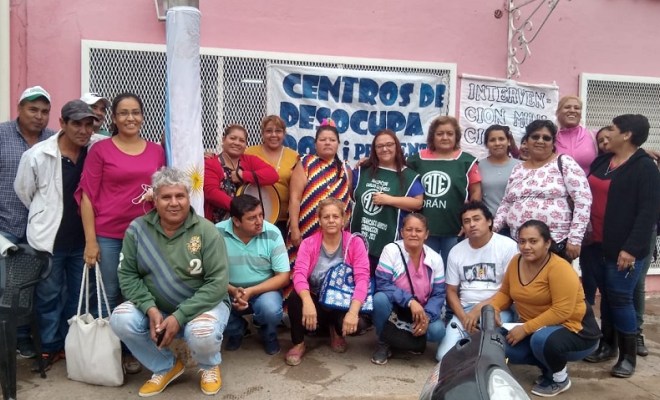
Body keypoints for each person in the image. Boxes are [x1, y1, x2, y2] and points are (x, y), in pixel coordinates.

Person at [109, 167, 230, 397]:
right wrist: (150, 308)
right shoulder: (137, 230)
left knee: (202, 332)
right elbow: (128, 275)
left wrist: (179, 316)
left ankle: (209, 366)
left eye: (180, 196)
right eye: (166, 197)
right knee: (120, 319)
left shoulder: (207, 231)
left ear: (188, 198)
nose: (174, 203)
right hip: (158, 307)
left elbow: (217, 284)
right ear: (155, 200)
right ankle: (165, 366)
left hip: (203, 306)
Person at [78, 92, 165, 373]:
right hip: (109, 235)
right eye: (124, 113)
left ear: (143, 116)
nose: (130, 118)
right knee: (109, 293)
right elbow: (86, 196)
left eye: (136, 112)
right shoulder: (100, 150)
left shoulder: (156, 151)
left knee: (139, 294)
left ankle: (132, 351)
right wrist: (91, 241)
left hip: (145, 236)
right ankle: (107, 354)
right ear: (114, 118)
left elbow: (165, 190)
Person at [14, 100, 103, 369]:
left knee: (80, 295)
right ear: (62, 123)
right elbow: (24, 192)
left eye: (88, 124)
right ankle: (49, 346)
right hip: (50, 239)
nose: (83, 130)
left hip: (85, 239)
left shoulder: (96, 149)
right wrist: (45, 214)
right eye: (76, 124)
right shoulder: (38, 155)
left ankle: (70, 344)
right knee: (48, 296)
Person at [580, 114, 660, 378]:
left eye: (613, 129)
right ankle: (607, 345)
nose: (607, 134)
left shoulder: (644, 168)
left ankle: (628, 357)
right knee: (606, 295)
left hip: (624, 248)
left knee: (621, 297)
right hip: (595, 243)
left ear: (627, 135)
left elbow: (648, 213)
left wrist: (631, 249)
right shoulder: (603, 161)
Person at [490, 220, 600, 397]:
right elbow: (505, 292)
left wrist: (525, 329)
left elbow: (562, 311)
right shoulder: (516, 261)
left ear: (547, 243)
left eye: (533, 241)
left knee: (541, 340)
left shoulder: (559, 268)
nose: (526, 246)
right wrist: (494, 307)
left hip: (575, 330)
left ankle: (560, 379)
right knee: (499, 343)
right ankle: (549, 369)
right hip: (538, 328)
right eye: (522, 241)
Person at [0, 85, 56, 358]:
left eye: (44, 111)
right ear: (19, 109)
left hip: (40, 228)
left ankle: (23, 338)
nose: (39, 116)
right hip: (5, 225)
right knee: (6, 285)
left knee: (29, 287)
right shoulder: (2, 135)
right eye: (33, 109)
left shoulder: (53, 140)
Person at [285, 198, 370, 366]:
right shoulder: (308, 243)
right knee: (295, 298)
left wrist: (353, 313)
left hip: (342, 301)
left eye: (335, 216)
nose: (331, 220)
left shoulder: (355, 243)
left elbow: (362, 279)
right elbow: (299, 275)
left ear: (343, 220)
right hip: (316, 299)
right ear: (319, 220)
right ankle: (298, 343)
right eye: (326, 217)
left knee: (359, 324)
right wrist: (307, 302)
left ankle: (336, 330)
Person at [494, 119, 592, 262]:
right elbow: (507, 202)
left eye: (546, 138)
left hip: (554, 243)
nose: (540, 141)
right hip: (519, 244)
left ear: (553, 143)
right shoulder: (518, 169)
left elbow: (583, 200)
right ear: (526, 141)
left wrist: (575, 239)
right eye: (535, 136)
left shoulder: (565, 163)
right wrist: (493, 228)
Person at [436, 201, 518, 361]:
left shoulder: (507, 246)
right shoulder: (456, 251)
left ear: (489, 221)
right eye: (467, 221)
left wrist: (479, 309)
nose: (472, 224)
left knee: (488, 349)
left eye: (477, 219)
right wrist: (464, 317)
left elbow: (509, 291)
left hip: (497, 308)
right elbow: (451, 291)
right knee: (443, 356)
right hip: (465, 310)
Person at [216, 194, 290, 355]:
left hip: (263, 290)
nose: (259, 221)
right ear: (236, 221)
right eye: (252, 218)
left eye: (261, 215)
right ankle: (238, 330)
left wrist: (251, 291)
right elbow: (209, 274)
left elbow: (283, 276)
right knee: (209, 303)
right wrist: (232, 290)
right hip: (227, 290)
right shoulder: (217, 233)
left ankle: (268, 334)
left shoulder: (272, 233)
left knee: (270, 309)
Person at [371, 213, 446, 365]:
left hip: (421, 311)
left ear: (426, 234)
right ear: (402, 232)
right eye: (409, 229)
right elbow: (383, 284)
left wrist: (426, 317)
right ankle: (384, 343)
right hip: (395, 308)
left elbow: (438, 294)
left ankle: (411, 341)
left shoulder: (435, 259)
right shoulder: (391, 250)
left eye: (418, 230)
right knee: (379, 299)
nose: (413, 234)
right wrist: (410, 302)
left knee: (438, 330)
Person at [406, 116, 481, 264]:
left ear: (456, 136)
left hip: (455, 230)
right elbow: (396, 173)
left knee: (453, 269)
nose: (445, 137)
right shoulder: (416, 160)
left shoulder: (466, 161)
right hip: (422, 230)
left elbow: (476, 193)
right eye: (440, 134)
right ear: (432, 136)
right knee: (425, 268)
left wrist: (470, 221)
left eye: (450, 133)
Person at [350, 129, 424, 272]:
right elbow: (351, 195)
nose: (385, 149)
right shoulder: (362, 171)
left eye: (389, 144)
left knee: (384, 283)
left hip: (389, 243)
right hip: (360, 239)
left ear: (397, 146)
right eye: (380, 146)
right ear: (374, 149)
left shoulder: (408, 175)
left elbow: (417, 203)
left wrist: (389, 200)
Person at [287, 119, 352, 263]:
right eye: (323, 140)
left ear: (338, 144)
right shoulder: (306, 163)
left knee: (334, 270)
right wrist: (295, 228)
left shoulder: (345, 169)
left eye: (332, 140)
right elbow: (294, 198)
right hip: (306, 229)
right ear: (315, 144)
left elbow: (349, 203)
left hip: (336, 235)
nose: (327, 143)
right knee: (304, 267)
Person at [204, 124, 278, 223]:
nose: (237, 143)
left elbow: (273, 175)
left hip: (248, 223)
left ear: (246, 145)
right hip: (218, 223)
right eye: (232, 138)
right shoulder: (211, 163)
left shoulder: (250, 160)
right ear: (223, 139)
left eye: (242, 140)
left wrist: (243, 175)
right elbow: (211, 192)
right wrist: (240, 207)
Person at [245, 115, 300, 237]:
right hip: (253, 219)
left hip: (283, 220)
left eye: (278, 131)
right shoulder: (249, 152)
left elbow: (297, 190)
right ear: (262, 133)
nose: (273, 135)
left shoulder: (294, 156)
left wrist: (293, 219)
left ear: (284, 134)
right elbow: (231, 164)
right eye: (269, 131)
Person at [477, 125, 521, 234]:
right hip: (489, 226)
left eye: (501, 139)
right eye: (492, 140)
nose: (497, 143)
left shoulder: (521, 166)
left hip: (516, 226)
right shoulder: (478, 166)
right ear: (486, 144)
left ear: (509, 141)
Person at [555, 96, 598, 175]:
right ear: (558, 112)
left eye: (577, 108)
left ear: (581, 114)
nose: (572, 110)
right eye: (567, 107)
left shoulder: (594, 136)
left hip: (587, 182)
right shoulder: (550, 137)